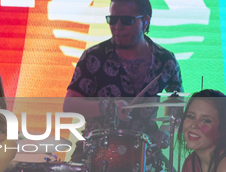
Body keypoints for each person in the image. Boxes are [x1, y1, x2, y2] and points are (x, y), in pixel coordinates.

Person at [63, 0, 183, 161]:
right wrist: (107, 107)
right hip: (96, 150)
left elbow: (177, 99)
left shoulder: (165, 60)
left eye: (126, 20)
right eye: (112, 20)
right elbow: (70, 105)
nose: (117, 27)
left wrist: (167, 128)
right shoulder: (93, 56)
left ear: (145, 21)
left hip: (144, 152)